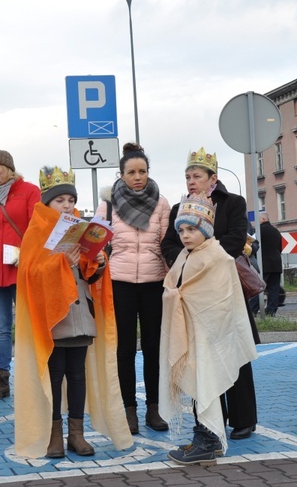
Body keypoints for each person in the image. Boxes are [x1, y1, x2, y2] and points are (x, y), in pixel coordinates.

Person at [14, 166, 133, 459]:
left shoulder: (78, 226)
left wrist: (98, 262)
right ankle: (54, 435)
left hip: (80, 315)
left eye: (70, 200)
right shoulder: (37, 231)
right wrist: (59, 263)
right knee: (55, 376)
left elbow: (89, 275)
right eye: (60, 200)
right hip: (53, 319)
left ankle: (76, 434)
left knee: (77, 375)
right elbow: (31, 273)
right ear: (47, 202)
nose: (67, 205)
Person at [161, 147, 259, 441]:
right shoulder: (179, 209)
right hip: (193, 293)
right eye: (188, 176)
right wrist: (189, 259)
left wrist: (205, 255)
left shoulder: (233, 203)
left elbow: (235, 239)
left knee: (233, 351)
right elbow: (168, 244)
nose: (191, 181)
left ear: (212, 177)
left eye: (197, 176)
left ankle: (243, 418)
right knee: (200, 356)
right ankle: (209, 420)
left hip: (223, 288)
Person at [95, 142, 171, 434]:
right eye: (131, 172)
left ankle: (155, 409)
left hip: (154, 284)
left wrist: (171, 280)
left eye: (142, 171)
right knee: (124, 349)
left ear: (149, 172)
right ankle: (129, 411)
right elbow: (95, 244)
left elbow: (165, 244)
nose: (138, 177)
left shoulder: (161, 203)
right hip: (120, 284)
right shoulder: (108, 204)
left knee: (153, 348)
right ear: (121, 174)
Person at [0, 150, 41, 402]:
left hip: (21, 267)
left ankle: (33, 377)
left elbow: (37, 228)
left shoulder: (29, 191)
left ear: (9, 168)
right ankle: (1, 381)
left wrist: (31, 257)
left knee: (28, 326)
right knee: (2, 329)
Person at [259, 212, 283, 316]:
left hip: (264, 264)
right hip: (276, 263)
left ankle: (254, 309)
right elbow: (280, 247)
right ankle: (271, 310)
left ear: (263, 219)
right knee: (274, 288)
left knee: (259, 287)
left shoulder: (259, 231)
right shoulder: (276, 231)